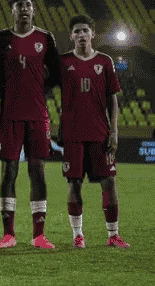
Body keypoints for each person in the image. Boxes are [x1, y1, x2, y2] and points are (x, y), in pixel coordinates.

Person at [0, 0, 60, 249]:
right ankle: (8, 234)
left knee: (37, 171)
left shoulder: (45, 38)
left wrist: (40, 88)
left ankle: (39, 234)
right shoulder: (0, 38)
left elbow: (57, 72)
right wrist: (5, 89)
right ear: (13, 11)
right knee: (9, 171)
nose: (24, 9)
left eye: (28, 5)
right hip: (9, 114)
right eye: (19, 6)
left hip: (37, 115)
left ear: (33, 9)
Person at [58, 15, 129, 248]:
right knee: (74, 183)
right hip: (72, 134)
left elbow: (113, 99)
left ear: (92, 34)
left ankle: (113, 235)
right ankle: (78, 235)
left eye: (85, 31)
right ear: (71, 36)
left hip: (100, 133)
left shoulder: (105, 61)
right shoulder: (63, 62)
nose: (81, 35)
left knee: (109, 182)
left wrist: (114, 130)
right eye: (76, 31)